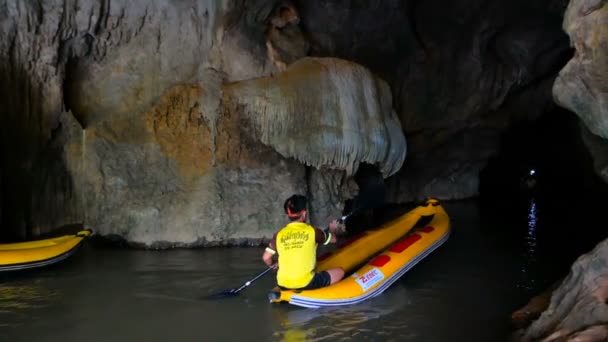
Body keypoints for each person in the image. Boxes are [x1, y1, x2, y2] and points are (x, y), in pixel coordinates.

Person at [262, 194, 345, 290]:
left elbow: (266, 257)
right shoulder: (313, 231)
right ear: (304, 213)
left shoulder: (279, 234)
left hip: (282, 283)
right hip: (306, 283)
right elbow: (333, 239)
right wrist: (332, 229)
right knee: (340, 272)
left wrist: (274, 264)